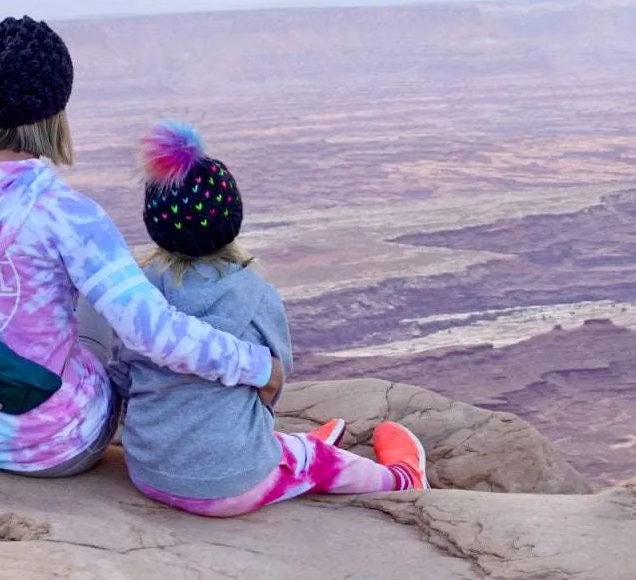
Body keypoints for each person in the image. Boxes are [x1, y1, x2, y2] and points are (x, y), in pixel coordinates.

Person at [0, 16, 284, 476]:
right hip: (53, 445)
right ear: (58, 101)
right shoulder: (68, 214)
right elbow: (153, 334)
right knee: (105, 305)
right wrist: (259, 366)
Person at [113, 120, 428, 517]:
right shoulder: (252, 291)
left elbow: (123, 372)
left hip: (149, 474)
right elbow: (274, 379)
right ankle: (401, 480)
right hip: (231, 484)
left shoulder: (139, 290)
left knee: (250, 434)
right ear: (231, 219)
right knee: (315, 460)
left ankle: (275, 446)